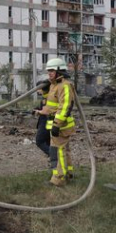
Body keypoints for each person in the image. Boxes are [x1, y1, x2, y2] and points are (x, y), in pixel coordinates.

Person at [35, 58, 76, 187]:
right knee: (64, 150)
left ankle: (58, 179)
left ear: (60, 71)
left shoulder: (65, 85)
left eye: (52, 70)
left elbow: (65, 107)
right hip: (55, 123)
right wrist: (45, 91)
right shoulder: (54, 85)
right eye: (48, 71)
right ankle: (68, 174)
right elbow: (52, 103)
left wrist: (57, 124)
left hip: (62, 125)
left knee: (58, 152)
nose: (49, 73)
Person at [33, 79, 52, 160]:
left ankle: (53, 155)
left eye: (39, 88)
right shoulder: (45, 97)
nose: (37, 90)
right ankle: (53, 159)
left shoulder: (49, 97)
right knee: (48, 141)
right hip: (47, 122)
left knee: (39, 141)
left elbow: (46, 111)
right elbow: (42, 108)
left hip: (46, 121)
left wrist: (39, 112)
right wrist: (36, 109)